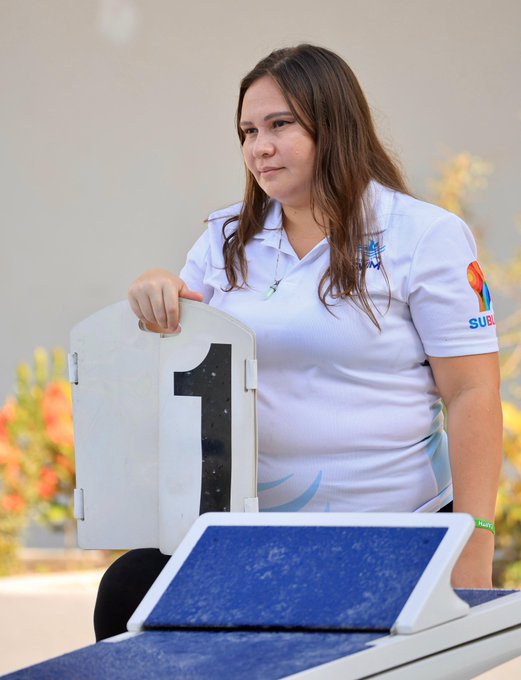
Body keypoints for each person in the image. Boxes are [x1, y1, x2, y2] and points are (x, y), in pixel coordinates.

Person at [94, 44, 502, 641]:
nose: (259, 147)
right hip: (254, 532)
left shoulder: (426, 236)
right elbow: (181, 332)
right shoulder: (227, 238)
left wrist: (473, 543)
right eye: (248, 130)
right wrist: (157, 290)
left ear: (334, 125)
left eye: (280, 125)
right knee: (128, 589)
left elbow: (472, 393)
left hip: (395, 533)